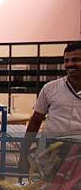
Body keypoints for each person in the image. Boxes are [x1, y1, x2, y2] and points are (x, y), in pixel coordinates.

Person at [20, 41, 81, 171]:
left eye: (76, 60)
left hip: (78, 156)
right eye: (66, 60)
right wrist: (23, 155)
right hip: (52, 154)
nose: (70, 64)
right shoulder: (50, 88)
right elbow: (35, 122)